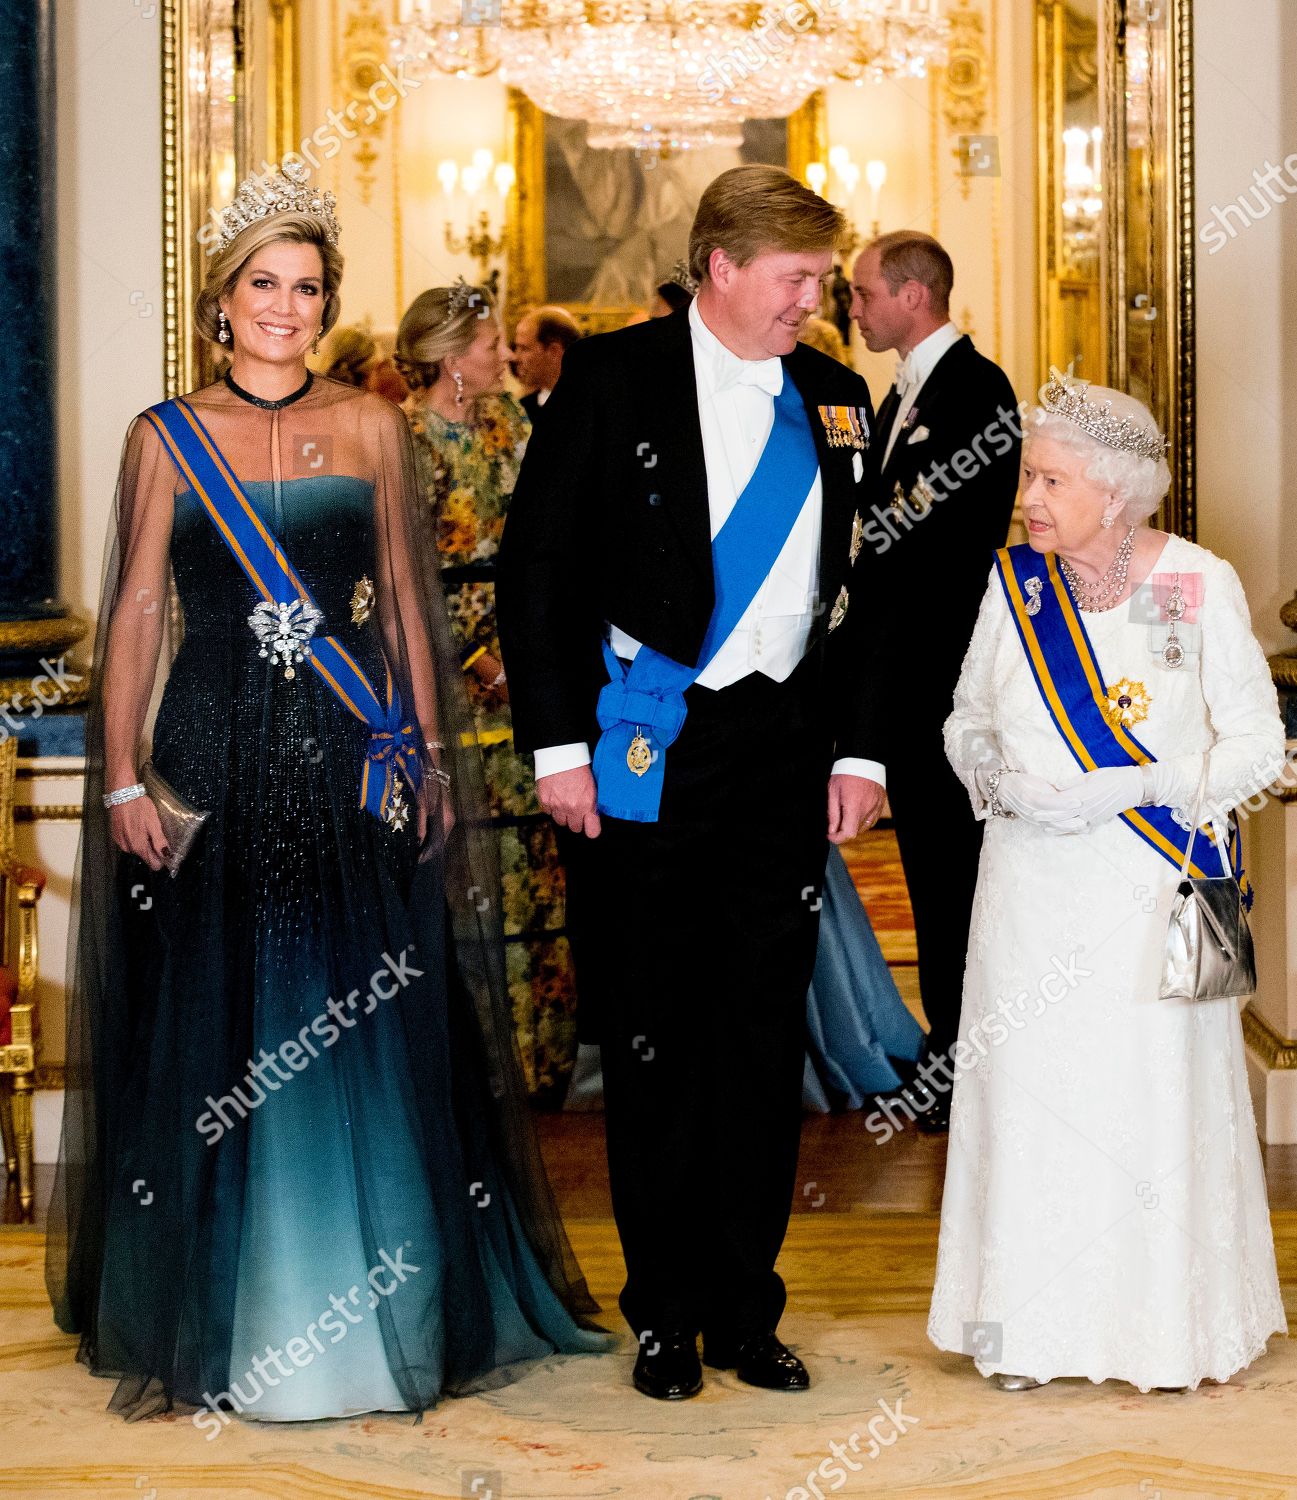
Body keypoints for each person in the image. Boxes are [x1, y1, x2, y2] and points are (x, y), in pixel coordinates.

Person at [45, 172, 610, 1425]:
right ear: (223, 305)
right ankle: (236, 1315)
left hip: (353, 761)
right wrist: (128, 770)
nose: (286, 310)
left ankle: (373, 1315)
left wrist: (421, 756)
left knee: (363, 1027)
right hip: (213, 761)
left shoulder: (369, 426)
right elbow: (142, 607)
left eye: (306, 289)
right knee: (224, 1034)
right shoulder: (164, 436)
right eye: (264, 286)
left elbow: (406, 602)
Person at [498, 165, 891, 1401]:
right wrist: (559, 751)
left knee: (761, 1033)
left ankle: (742, 1306)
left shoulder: (833, 394)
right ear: (721, 266)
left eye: (821, 282)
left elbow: (863, 594)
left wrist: (860, 748)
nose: (812, 303)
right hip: (645, 746)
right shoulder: (609, 381)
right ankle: (665, 1310)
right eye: (795, 280)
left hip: (783, 747)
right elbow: (538, 574)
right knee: (658, 1029)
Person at [927, 371, 1287, 1391]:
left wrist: (1144, 780)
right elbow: (964, 717)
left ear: (1116, 495)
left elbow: (1258, 747)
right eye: (1027, 476)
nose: (1026, 497)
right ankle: (1028, 1334)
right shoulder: (1016, 585)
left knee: (1146, 1100)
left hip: (1153, 887)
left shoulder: (1188, 586)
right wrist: (996, 779)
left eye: (1048, 478)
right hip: (1028, 887)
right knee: (1033, 1100)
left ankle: (1160, 1332)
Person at [849, 231, 1020, 1131]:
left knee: (955, 876)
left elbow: (937, 540)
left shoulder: (974, 391)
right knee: (930, 875)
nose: (853, 308)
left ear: (912, 295)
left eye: (862, 293)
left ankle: (967, 1064)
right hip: (906, 678)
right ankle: (951, 1048)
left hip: (944, 679)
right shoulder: (896, 395)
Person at [397, 284, 580, 1104]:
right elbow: (400, 570)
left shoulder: (514, 424)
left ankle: (541, 1060)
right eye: (488, 341)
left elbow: (551, 537)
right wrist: (475, 655)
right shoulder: (402, 438)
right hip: (445, 683)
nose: (504, 353)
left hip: (533, 669)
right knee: (466, 864)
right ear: (446, 354)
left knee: (535, 861)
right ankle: (469, 1066)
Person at [510, 305, 581, 423]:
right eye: (516, 347)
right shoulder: (521, 411)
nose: (516, 357)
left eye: (524, 349)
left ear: (554, 352)